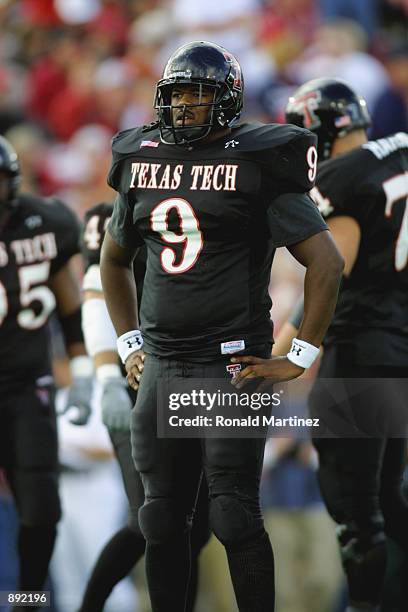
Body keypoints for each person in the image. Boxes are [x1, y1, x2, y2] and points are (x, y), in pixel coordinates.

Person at [100, 41, 344, 612]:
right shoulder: (142, 154)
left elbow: (326, 262)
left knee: (232, 514)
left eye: (197, 94)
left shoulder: (257, 158)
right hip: (162, 360)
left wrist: (300, 354)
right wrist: (129, 341)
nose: (184, 106)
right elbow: (113, 260)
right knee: (160, 517)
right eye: (177, 94)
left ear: (227, 99)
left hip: (229, 363)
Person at [257, 77, 408, 612]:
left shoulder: (345, 176)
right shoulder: (401, 150)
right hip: (399, 345)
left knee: (355, 508)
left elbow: (332, 273)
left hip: (362, 351)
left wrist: (290, 352)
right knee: (391, 498)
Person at [79, 202, 209, 612]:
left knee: (196, 525)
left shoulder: (206, 202)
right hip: (134, 381)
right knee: (148, 520)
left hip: (187, 380)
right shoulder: (114, 214)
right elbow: (96, 290)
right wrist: (105, 378)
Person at [0, 135, 93, 609]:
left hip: (26, 384)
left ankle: (30, 598)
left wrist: (80, 367)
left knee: (41, 509)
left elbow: (68, 301)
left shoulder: (47, 221)